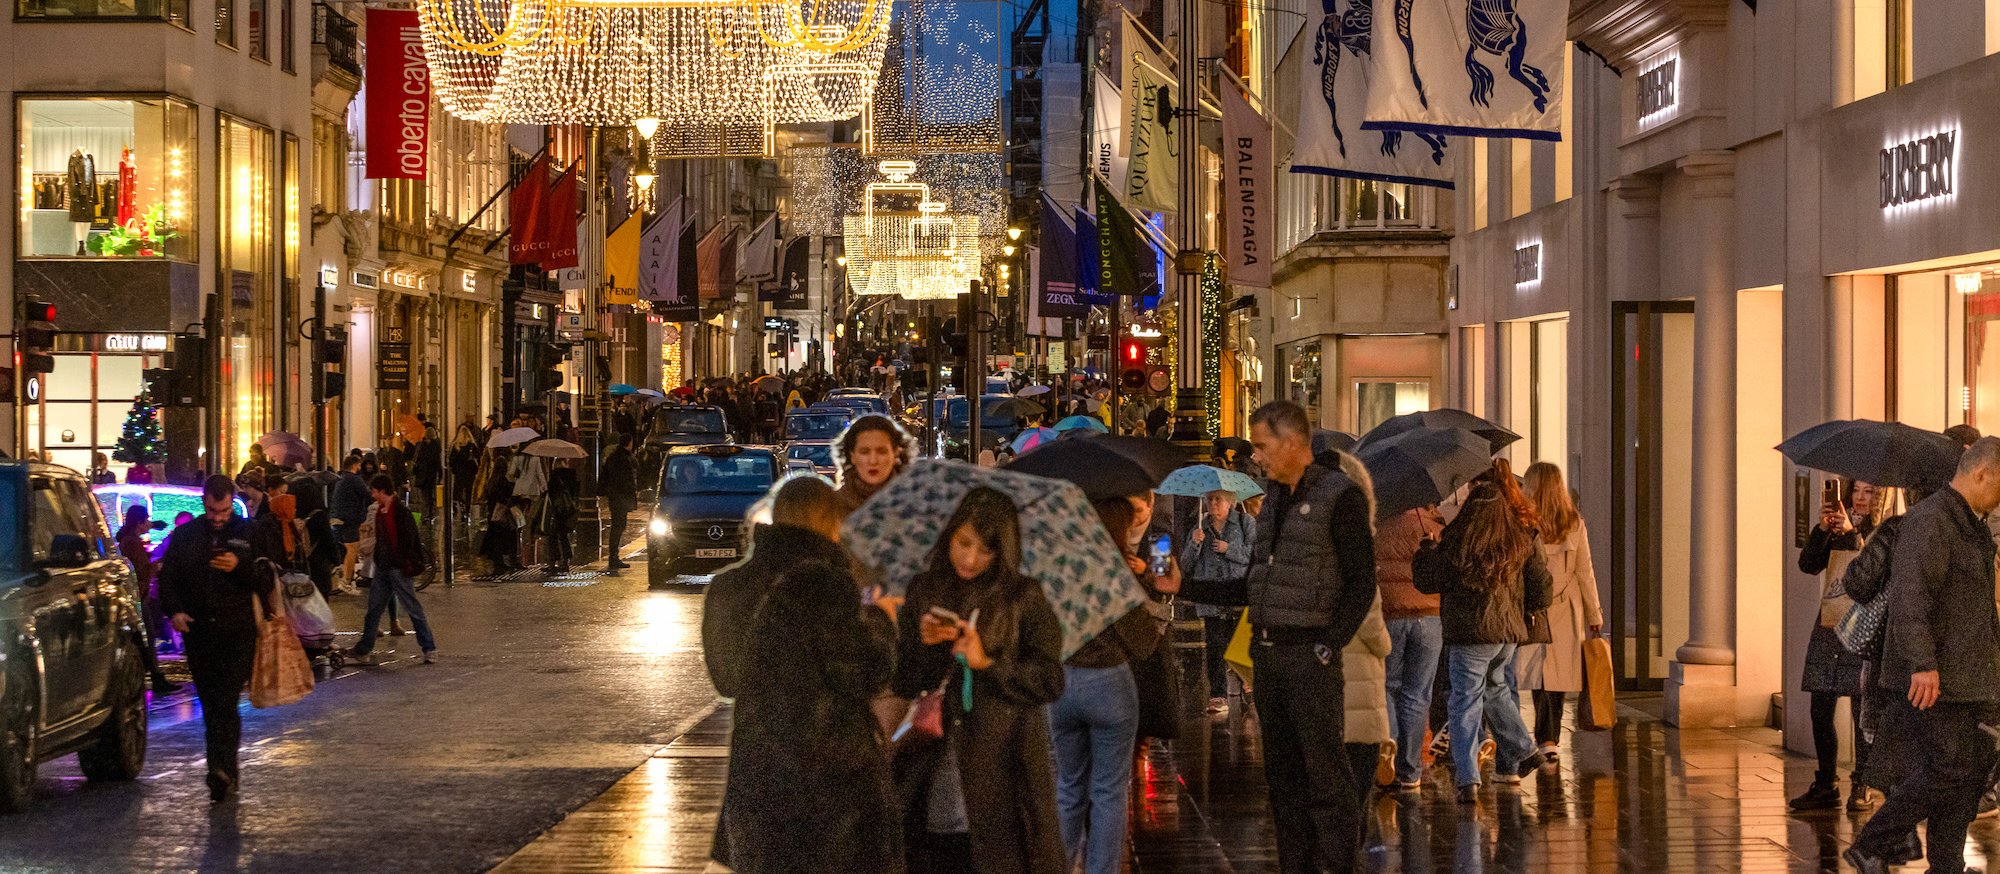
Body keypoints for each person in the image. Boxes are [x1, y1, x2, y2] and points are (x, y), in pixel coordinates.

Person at [706, 476, 903, 873]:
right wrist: (883, 620)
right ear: (830, 524)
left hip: (759, 773)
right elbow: (869, 671)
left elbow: (726, 680)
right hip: (830, 778)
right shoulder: (825, 585)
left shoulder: (727, 587)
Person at [1226, 400, 1379, 873]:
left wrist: (1328, 643)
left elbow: (1361, 581)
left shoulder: (1339, 496)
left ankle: (1335, 865)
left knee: (1326, 779)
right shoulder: (1274, 499)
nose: (1257, 456)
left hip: (1308, 655)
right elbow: (1253, 582)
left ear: (1293, 443)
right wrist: (1182, 585)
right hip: (1270, 652)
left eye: (1262, 445)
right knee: (1284, 779)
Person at [1845, 438, 2000, 874]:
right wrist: (1922, 664)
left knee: (1968, 771)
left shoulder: (1969, 522)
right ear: (1980, 472)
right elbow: (1912, 598)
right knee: (1950, 767)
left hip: (1969, 673)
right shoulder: (1931, 520)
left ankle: (1946, 865)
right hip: (1937, 675)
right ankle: (1873, 843)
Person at [891, 488, 1066, 873]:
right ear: (949, 535)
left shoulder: (1023, 597)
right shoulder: (925, 589)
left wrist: (986, 663)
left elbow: (1050, 680)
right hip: (934, 760)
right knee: (935, 853)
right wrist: (924, 645)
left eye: (985, 550)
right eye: (963, 543)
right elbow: (905, 680)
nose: (970, 558)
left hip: (1002, 763)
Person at [1048, 494, 1173, 874]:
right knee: (1108, 791)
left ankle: (1061, 864)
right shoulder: (1117, 566)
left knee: (1069, 787)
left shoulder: (1063, 563)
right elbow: (1142, 638)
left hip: (1065, 683)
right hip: (1109, 683)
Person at [1413, 470, 1553, 805]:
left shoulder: (1459, 541)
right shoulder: (1520, 539)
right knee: (1496, 690)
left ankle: (1468, 778)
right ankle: (1525, 749)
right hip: (1506, 634)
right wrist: (1528, 606)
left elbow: (1429, 581)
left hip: (1471, 634)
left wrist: (1426, 551)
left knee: (1464, 702)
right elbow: (1543, 587)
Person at [156, 475, 271, 803]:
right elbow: (170, 578)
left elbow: (266, 579)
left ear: (230, 504)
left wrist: (239, 566)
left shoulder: (249, 533)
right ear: (204, 503)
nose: (217, 517)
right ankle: (221, 768)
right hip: (200, 631)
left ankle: (222, 768)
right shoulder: (187, 535)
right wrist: (175, 611)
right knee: (210, 702)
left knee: (225, 698)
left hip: (237, 631)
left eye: (222, 511)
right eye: (211, 510)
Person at [1790, 477, 1881, 811]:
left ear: (1879, 496)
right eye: (1855, 490)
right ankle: (1826, 781)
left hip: (1865, 625)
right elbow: (1808, 565)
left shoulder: (1886, 528)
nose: (1860, 497)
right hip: (1831, 622)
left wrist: (1851, 535)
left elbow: (1871, 570)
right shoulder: (1836, 526)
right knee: (1820, 705)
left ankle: (1862, 784)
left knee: (1862, 711)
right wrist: (1821, 529)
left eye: (1868, 491)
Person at [1515, 463, 1604, 766]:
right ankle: (1549, 739)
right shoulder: (1574, 522)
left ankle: (1542, 739)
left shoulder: (1523, 521)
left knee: (1537, 672)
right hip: (1566, 606)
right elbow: (1584, 571)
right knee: (1557, 674)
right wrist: (1595, 613)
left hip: (1531, 605)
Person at [1376, 504, 1444, 790]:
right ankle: (1411, 770)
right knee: (1417, 694)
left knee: (1388, 686)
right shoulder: (1434, 527)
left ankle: (1388, 743)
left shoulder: (1378, 526)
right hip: (1429, 618)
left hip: (1390, 615)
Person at [345, 475, 438, 664]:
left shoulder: (400, 512)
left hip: (398, 568)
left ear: (381, 491)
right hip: (385, 567)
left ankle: (429, 647)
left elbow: (409, 539)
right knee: (374, 608)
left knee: (411, 607)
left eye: (373, 491)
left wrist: (402, 561)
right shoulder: (380, 511)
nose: (371, 494)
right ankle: (364, 649)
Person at [1181, 489, 1254, 712]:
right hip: (1212, 599)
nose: (1213, 503)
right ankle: (1218, 694)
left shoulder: (1244, 522)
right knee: (1216, 647)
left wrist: (1229, 549)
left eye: (1218, 499)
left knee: (1242, 647)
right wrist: (1195, 544)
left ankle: (1248, 686)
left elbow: (1254, 555)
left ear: (1229, 502)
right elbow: (1186, 565)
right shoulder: (1199, 527)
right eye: (1209, 499)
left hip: (1238, 595)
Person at [115, 505, 180, 694]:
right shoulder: (132, 543)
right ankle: (154, 678)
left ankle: (153, 676)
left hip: (138, 596)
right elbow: (141, 571)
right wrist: (158, 565)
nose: (148, 524)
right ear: (139, 522)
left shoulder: (130, 539)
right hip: (137, 597)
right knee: (148, 637)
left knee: (149, 637)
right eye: (146, 521)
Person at [834, 414, 916, 515]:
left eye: (882, 451)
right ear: (852, 456)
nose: (873, 461)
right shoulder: (832, 506)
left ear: (896, 452)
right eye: (864, 452)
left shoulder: (916, 505)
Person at [330, 453, 371, 586]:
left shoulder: (339, 477)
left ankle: (350, 576)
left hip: (337, 515)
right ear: (354, 465)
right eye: (359, 465)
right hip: (349, 518)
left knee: (350, 547)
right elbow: (367, 494)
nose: (360, 467)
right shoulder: (354, 479)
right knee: (352, 548)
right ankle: (347, 581)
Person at [601, 434, 640, 571]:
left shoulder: (614, 457)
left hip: (615, 497)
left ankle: (614, 557)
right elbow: (625, 480)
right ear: (629, 443)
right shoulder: (623, 458)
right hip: (620, 498)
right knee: (618, 526)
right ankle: (613, 558)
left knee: (618, 526)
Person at [540, 459, 580, 573]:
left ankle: (552, 564)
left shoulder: (554, 477)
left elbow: (551, 493)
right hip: (567, 511)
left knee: (552, 537)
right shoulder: (572, 476)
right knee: (564, 537)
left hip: (556, 511)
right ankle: (566, 563)